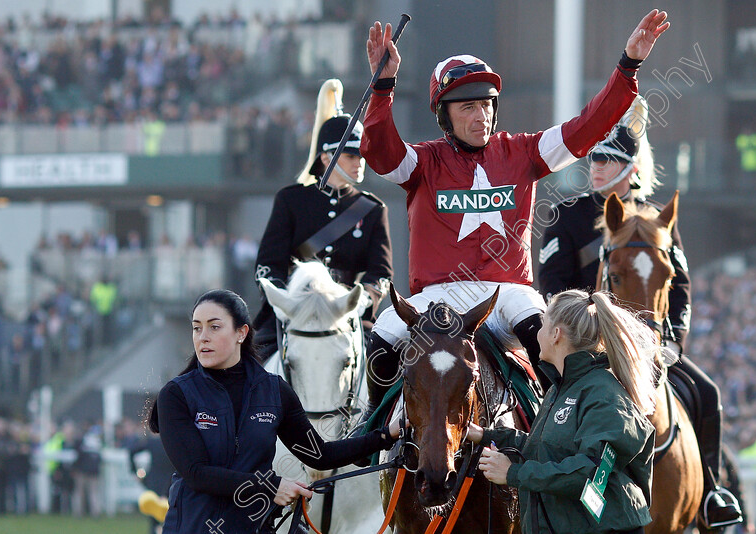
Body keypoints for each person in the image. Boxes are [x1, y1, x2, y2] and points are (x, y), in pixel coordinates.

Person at [357, 10, 669, 425]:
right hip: (437, 298)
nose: (480, 116)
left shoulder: (524, 151)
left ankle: (561, 433)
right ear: (443, 115)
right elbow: (379, 153)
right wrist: (382, 87)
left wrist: (628, 65)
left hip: (508, 294)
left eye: (486, 105)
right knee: (379, 344)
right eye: (467, 107)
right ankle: (372, 427)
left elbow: (588, 126)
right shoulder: (423, 162)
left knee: (558, 347)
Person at [538, 98, 743, 528]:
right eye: (594, 156)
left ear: (631, 168)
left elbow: (680, 287)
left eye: (609, 159)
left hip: (653, 343)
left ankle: (710, 490)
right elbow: (552, 286)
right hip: (584, 344)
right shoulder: (566, 217)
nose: (596, 165)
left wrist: (672, 342)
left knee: (707, 394)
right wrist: (581, 334)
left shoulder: (656, 218)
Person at [147, 289, 403, 533]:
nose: (202, 336)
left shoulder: (274, 391)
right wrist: (271, 487)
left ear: (241, 333)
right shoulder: (176, 394)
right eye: (196, 327)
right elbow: (196, 474)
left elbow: (320, 455)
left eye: (214, 327)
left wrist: (385, 436)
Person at [466, 290, 656, 533]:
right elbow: (547, 451)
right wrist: (484, 435)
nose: (537, 332)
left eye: (543, 323)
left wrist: (514, 473)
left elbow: (592, 473)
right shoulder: (561, 389)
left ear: (556, 334)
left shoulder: (603, 393)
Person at [253, 78, 393, 358]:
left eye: (362, 156)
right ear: (327, 158)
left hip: (347, 317)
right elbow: (268, 265)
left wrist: (361, 300)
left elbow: (381, 274)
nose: (359, 162)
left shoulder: (373, 210)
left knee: (390, 369)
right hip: (290, 315)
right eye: (351, 155)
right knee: (245, 370)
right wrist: (289, 301)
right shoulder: (291, 200)